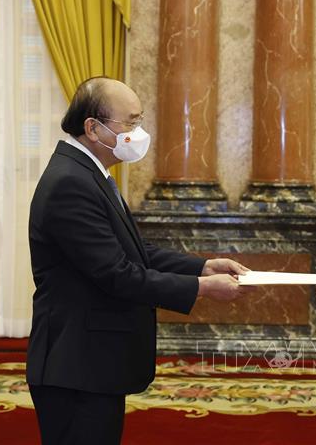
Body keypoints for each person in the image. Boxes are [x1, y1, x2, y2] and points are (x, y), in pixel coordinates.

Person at [27, 77, 252, 445]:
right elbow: (116, 274)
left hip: (90, 362)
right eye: (130, 123)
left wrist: (203, 266)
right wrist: (202, 289)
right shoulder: (71, 182)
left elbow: (132, 251)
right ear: (93, 128)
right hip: (75, 366)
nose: (139, 132)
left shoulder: (88, 174)